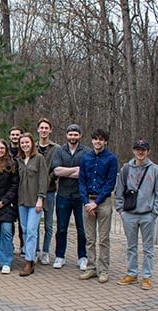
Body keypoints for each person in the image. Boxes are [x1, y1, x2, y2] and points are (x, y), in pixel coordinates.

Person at [115, 139, 158, 290]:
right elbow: (119, 190)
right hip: (129, 214)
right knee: (131, 246)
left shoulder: (155, 170)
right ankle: (132, 274)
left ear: (148, 152)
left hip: (147, 215)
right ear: (133, 151)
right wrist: (121, 210)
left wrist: (155, 212)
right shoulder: (126, 169)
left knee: (148, 248)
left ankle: (147, 277)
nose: (140, 152)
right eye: (138, 149)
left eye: (143, 150)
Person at [78, 129, 118, 283]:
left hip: (103, 202)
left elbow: (110, 183)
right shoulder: (85, 157)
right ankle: (91, 268)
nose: (98, 142)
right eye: (95, 139)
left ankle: (103, 270)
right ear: (92, 141)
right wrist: (86, 202)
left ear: (105, 141)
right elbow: (81, 181)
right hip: (88, 201)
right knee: (90, 238)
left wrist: (97, 202)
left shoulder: (111, 159)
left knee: (103, 239)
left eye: (101, 139)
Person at [51, 124, 91, 270]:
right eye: (70, 134)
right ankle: (59, 256)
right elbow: (56, 171)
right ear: (66, 135)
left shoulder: (87, 151)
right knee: (61, 228)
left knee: (82, 229)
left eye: (75, 134)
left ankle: (82, 257)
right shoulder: (59, 151)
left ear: (80, 135)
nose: (73, 137)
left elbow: (86, 172)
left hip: (81, 196)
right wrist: (76, 170)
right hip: (63, 195)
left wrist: (67, 171)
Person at [16, 133, 48, 276]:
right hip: (21, 201)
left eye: (27, 142)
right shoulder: (19, 160)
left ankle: (29, 261)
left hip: (35, 201)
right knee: (24, 231)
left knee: (31, 231)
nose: (25, 145)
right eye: (22, 143)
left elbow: (43, 179)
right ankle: (29, 255)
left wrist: (41, 198)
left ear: (32, 143)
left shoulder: (39, 159)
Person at [0, 139, 19, 274]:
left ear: (6, 150)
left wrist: (4, 201)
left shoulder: (12, 165)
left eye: (2, 148)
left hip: (7, 204)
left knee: (6, 231)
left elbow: (14, 186)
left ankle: (6, 261)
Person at [35, 118, 59, 265]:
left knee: (49, 224)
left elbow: (56, 169)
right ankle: (36, 250)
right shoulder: (33, 146)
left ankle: (45, 252)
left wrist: (46, 182)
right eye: (41, 128)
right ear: (38, 130)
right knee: (35, 223)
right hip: (34, 191)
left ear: (50, 130)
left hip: (50, 190)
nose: (44, 130)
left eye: (46, 128)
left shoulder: (56, 148)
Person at [8, 126, 25, 257]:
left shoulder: (25, 151)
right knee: (10, 220)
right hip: (9, 191)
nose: (15, 137)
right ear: (9, 136)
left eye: (17, 135)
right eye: (13, 135)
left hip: (23, 191)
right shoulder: (5, 151)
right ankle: (10, 245)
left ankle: (23, 245)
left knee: (22, 222)